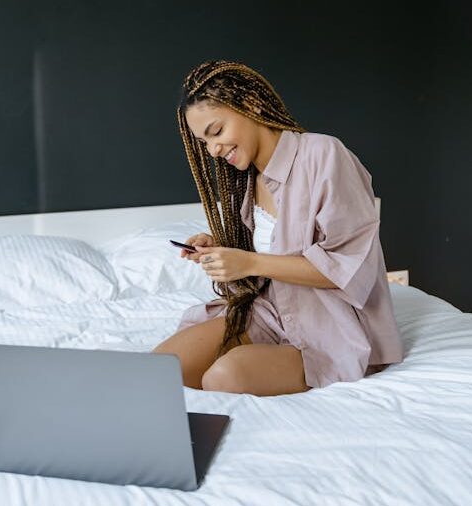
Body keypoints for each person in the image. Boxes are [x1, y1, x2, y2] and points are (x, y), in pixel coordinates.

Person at [151, 60, 403, 396]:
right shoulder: (247, 180)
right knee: (157, 370)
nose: (212, 150)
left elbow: (348, 267)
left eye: (216, 132)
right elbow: (268, 249)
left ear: (250, 105)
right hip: (269, 311)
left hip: (331, 325)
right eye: (204, 142)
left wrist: (249, 262)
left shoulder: (324, 154)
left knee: (223, 377)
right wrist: (220, 249)